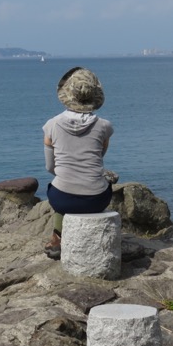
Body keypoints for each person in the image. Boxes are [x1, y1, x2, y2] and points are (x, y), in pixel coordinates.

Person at [42, 67, 114, 260]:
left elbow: (50, 167)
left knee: (57, 189)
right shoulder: (104, 126)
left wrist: (67, 175)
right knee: (104, 183)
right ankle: (60, 238)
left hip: (62, 198)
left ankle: (57, 237)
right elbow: (99, 157)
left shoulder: (51, 125)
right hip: (97, 198)